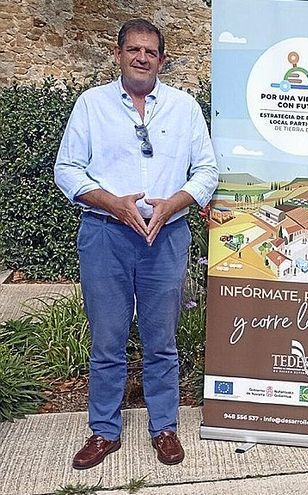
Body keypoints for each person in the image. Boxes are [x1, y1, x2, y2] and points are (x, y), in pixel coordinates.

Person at [54, 18, 218, 469]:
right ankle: (104, 430)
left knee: (161, 340)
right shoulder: (92, 105)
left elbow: (206, 171)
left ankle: (163, 427)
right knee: (107, 340)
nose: (142, 57)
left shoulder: (184, 108)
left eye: (151, 51)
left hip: (165, 236)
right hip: (106, 234)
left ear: (162, 60)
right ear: (118, 53)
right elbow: (67, 169)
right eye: (134, 50)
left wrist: (173, 204)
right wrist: (114, 204)